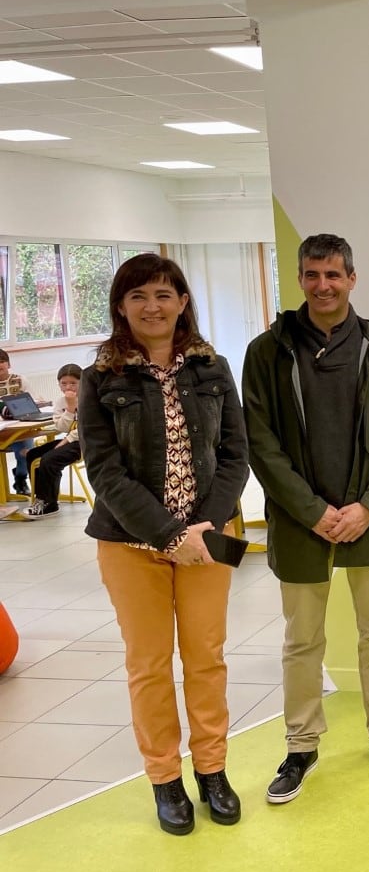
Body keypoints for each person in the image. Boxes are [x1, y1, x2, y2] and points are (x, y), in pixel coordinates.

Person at [242, 233, 369, 805]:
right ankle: (301, 744)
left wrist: (367, 506)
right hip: (301, 522)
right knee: (302, 640)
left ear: (352, 278)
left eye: (334, 275)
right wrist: (314, 511)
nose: (324, 285)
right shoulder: (267, 351)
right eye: (313, 274)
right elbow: (260, 442)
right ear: (300, 279)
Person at [78, 253, 249, 836]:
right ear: (121, 307)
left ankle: (212, 770)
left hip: (209, 540)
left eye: (163, 294)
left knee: (207, 659)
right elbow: (102, 469)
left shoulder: (213, 368)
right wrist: (168, 534)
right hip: (130, 544)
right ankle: (164, 780)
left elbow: (235, 454)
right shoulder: (103, 378)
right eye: (138, 297)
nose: (152, 306)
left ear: (181, 301)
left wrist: (201, 528)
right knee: (149, 666)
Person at [23, 363, 83, 518]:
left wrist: (68, 439)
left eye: (73, 383)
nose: (68, 387)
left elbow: (89, 427)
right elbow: (62, 427)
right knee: (33, 454)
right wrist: (70, 409)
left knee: (50, 459)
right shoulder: (61, 402)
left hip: (87, 442)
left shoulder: (90, 399)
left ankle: (50, 503)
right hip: (70, 439)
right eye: (63, 383)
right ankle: (41, 498)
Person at [0, 348, 33, 495]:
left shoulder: (20, 379)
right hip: (2, 429)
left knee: (25, 451)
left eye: (2, 361)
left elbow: (32, 401)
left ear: (8, 364)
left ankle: (20, 477)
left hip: (20, 426)